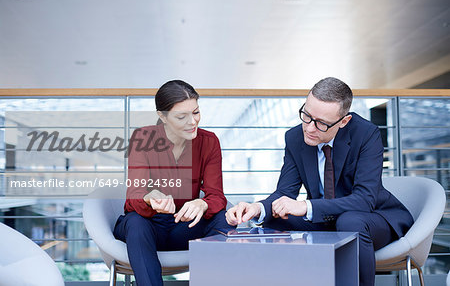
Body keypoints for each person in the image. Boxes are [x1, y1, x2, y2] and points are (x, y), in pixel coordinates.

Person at [226, 77, 414, 286]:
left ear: (344, 121)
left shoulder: (366, 134)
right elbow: (285, 192)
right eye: (306, 116)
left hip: (374, 217)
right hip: (327, 219)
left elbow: (364, 200)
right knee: (273, 219)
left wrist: (305, 206)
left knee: (350, 221)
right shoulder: (295, 138)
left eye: (321, 123)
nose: (309, 128)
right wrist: (258, 208)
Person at [114, 80, 234, 286]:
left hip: (185, 227)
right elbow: (133, 195)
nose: (192, 122)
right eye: (181, 117)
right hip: (150, 227)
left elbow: (217, 195)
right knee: (135, 222)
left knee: (224, 218)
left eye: (196, 112)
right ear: (163, 116)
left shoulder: (209, 141)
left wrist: (202, 203)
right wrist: (150, 199)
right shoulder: (143, 138)